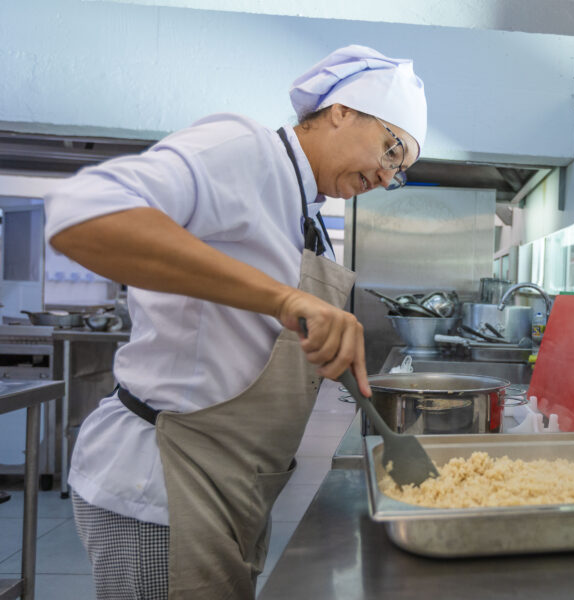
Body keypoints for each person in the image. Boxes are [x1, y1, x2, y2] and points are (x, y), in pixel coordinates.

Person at [43, 44, 427, 600]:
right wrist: (284, 300)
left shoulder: (306, 210)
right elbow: (83, 212)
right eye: (391, 149)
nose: (386, 174)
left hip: (233, 486)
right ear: (341, 111)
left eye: (400, 170)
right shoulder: (246, 148)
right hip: (165, 483)